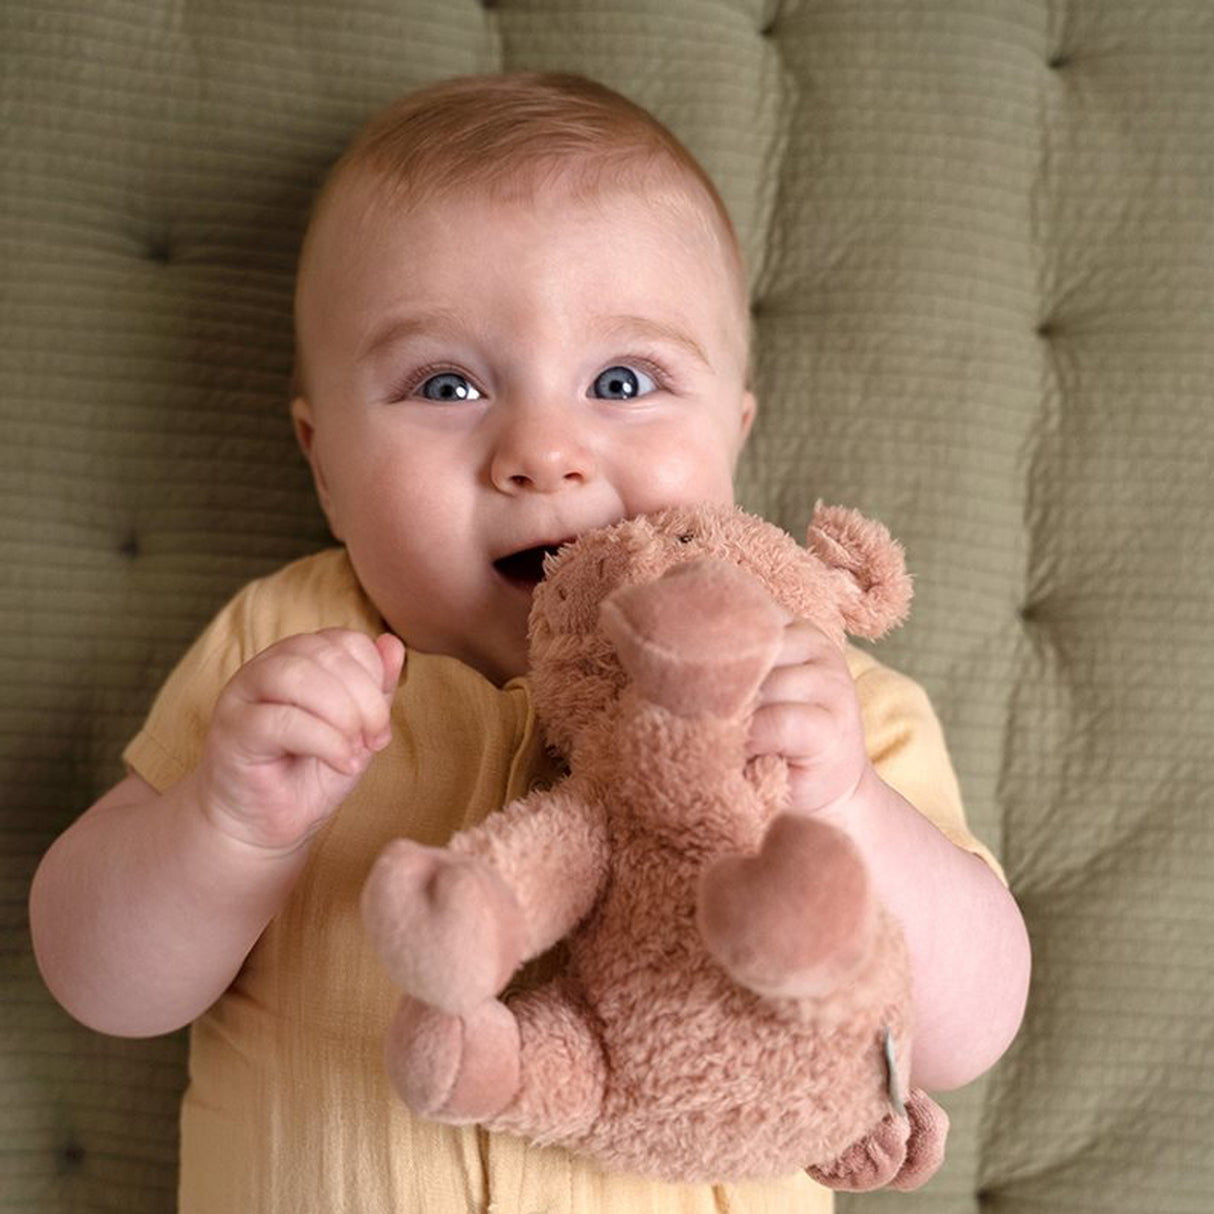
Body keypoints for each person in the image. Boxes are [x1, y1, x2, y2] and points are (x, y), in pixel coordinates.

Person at [29, 72, 1030, 1213]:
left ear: (729, 438)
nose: (541, 451)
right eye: (445, 383)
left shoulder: (818, 694)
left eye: (620, 380)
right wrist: (221, 824)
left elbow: (965, 1028)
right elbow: (100, 981)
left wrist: (844, 800)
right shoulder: (287, 649)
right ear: (325, 466)